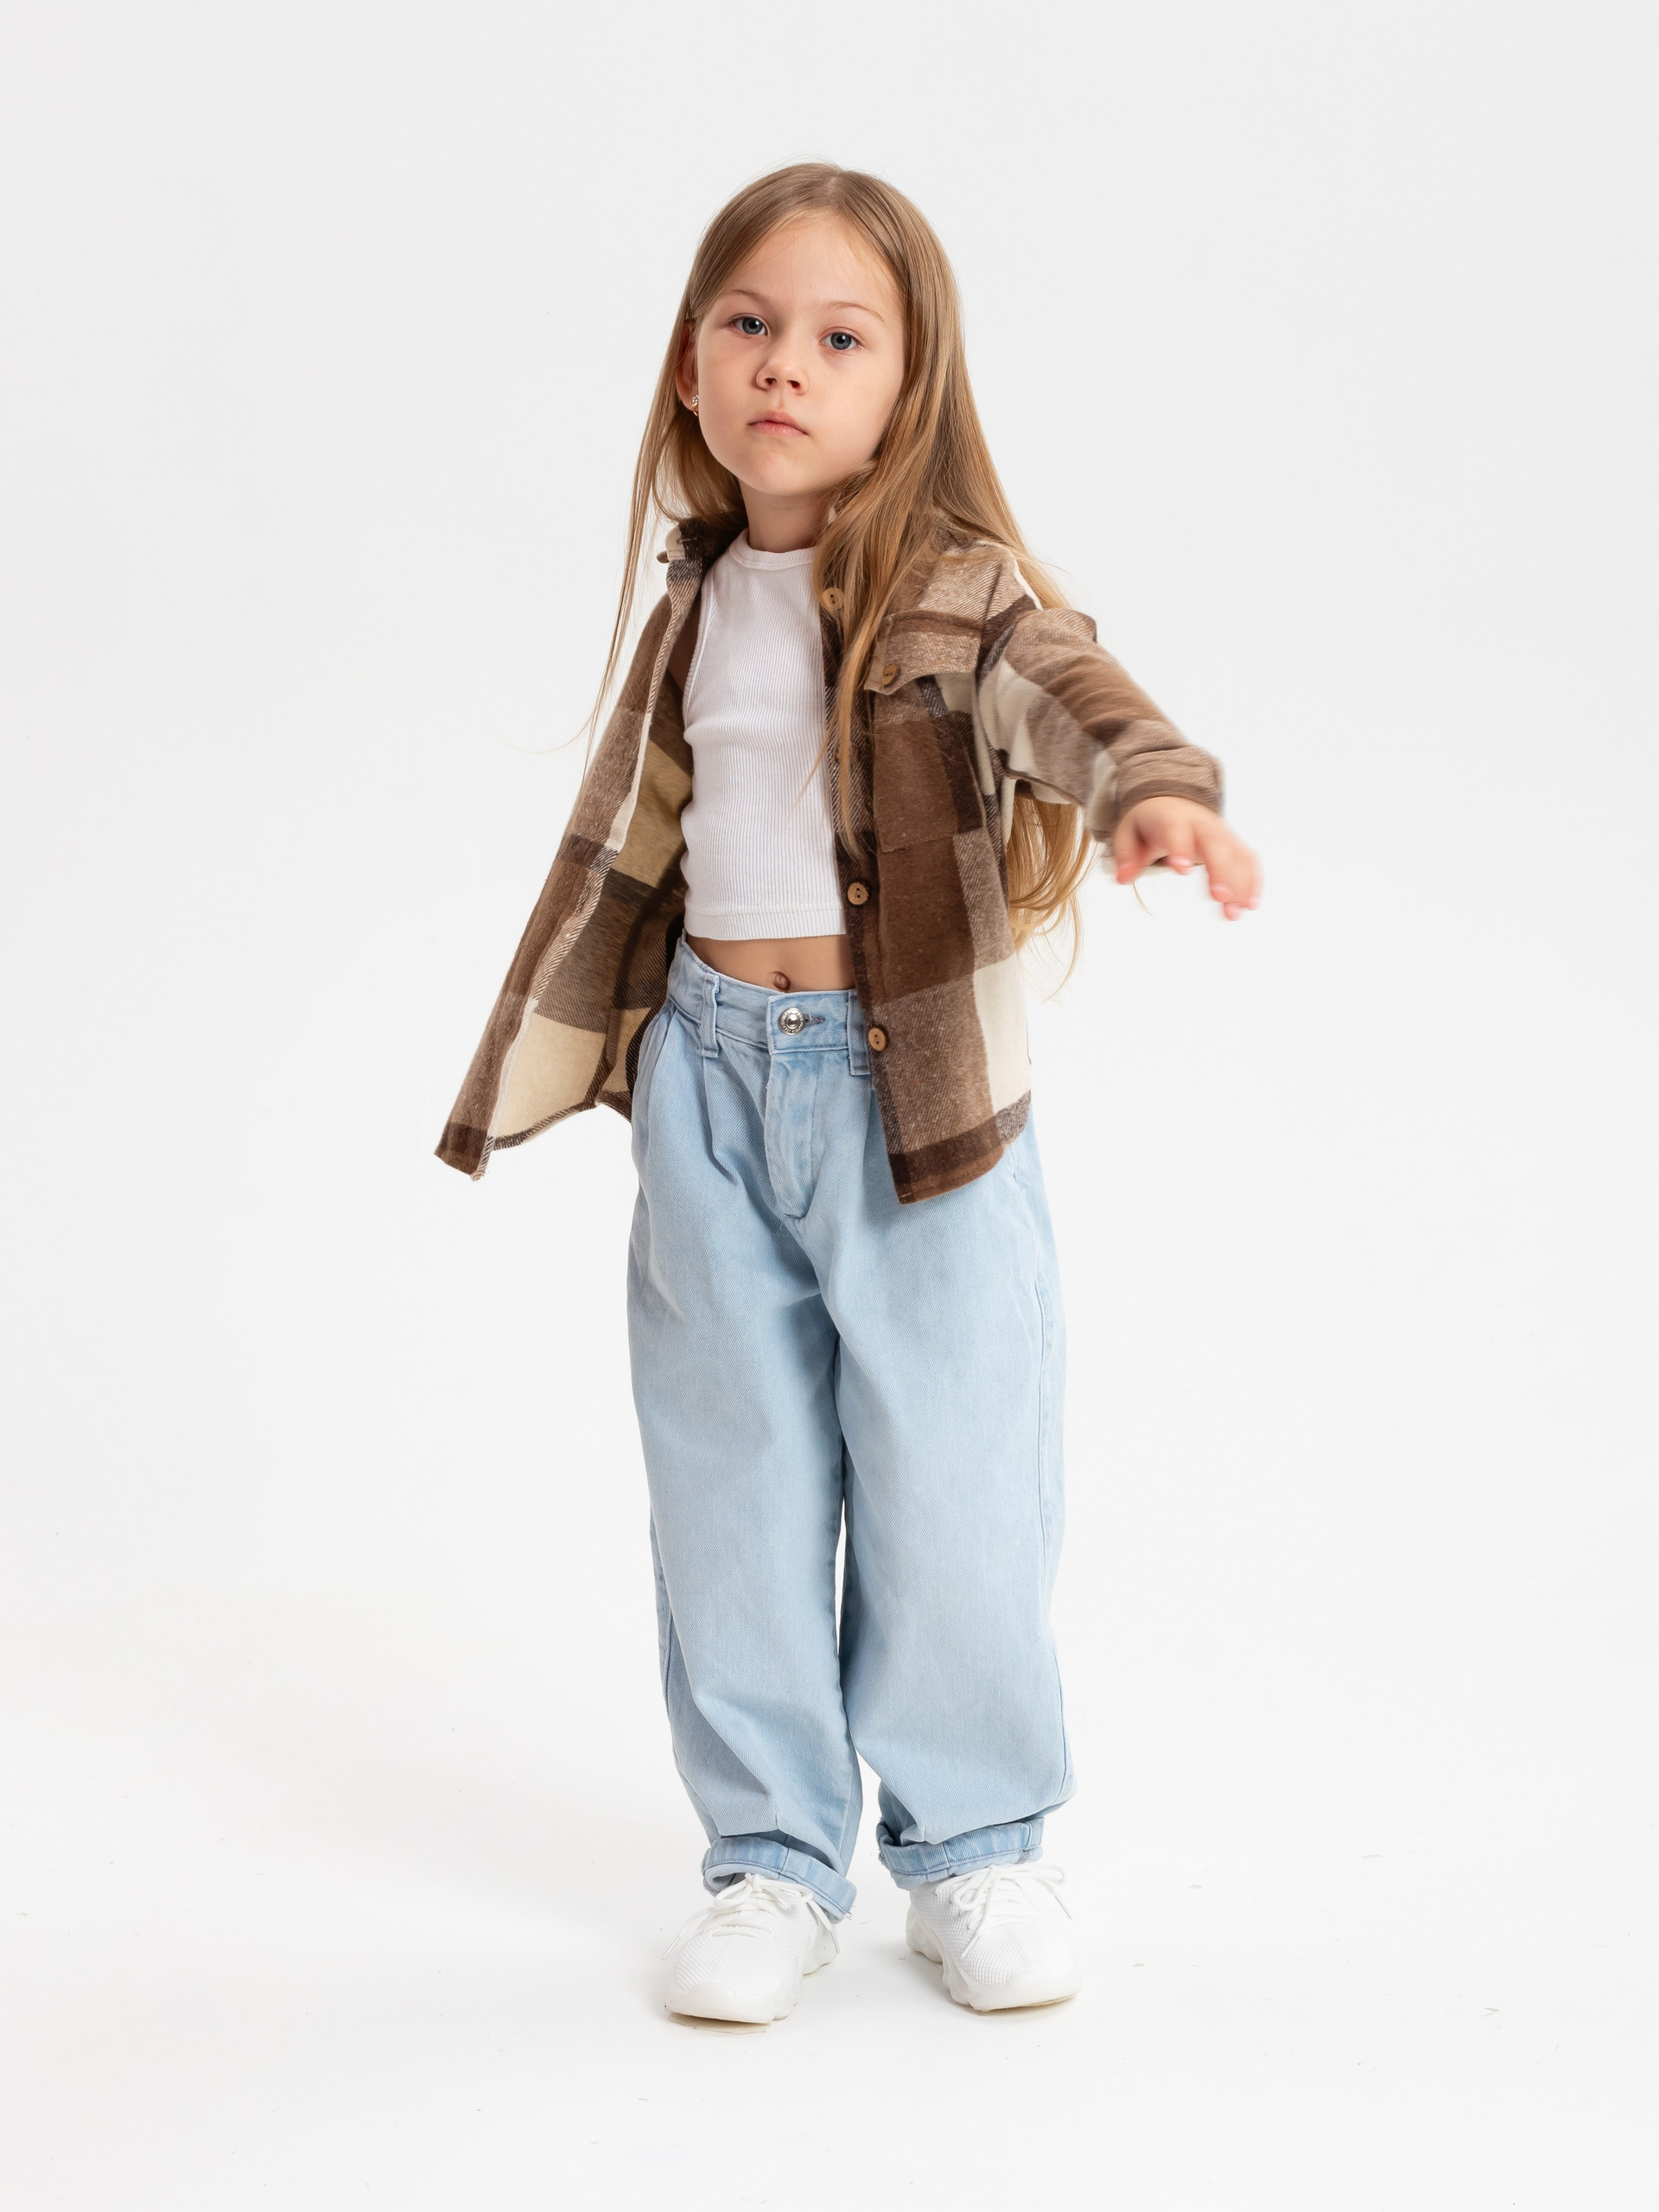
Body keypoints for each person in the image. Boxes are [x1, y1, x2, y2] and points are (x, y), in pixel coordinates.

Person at [436, 163, 1261, 2024]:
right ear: (688, 367)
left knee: (952, 1474)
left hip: (921, 1113)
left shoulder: (961, 595)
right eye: (747, 325)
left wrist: (1155, 788)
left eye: (837, 336)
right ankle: (770, 1858)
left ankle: (974, 1850)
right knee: (730, 1479)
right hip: (712, 1088)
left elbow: (1078, 695)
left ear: (910, 386)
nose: (783, 365)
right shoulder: (694, 595)